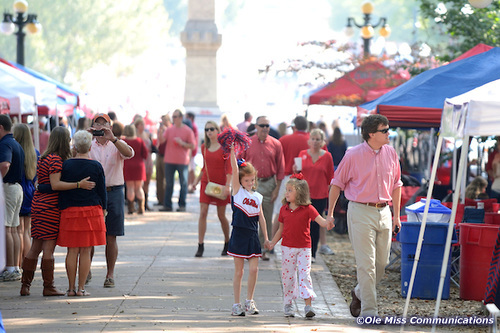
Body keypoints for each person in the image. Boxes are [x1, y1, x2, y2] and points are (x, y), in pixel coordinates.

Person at [326, 114, 402, 318]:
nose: (389, 133)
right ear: (371, 134)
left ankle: (359, 292)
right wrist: (331, 213)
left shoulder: (392, 153)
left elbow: (396, 185)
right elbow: (336, 184)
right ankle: (370, 312)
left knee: (381, 264)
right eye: (384, 130)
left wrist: (396, 216)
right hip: (360, 211)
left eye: (388, 129)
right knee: (366, 264)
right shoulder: (352, 155)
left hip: (385, 212)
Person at [20, 126, 95, 296]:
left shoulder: (44, 157)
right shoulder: (55, 160)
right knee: (48, 249)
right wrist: (78, 184)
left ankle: (25, 285)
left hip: (39, 204)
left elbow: (44, 183)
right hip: (50, 207)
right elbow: (56, 185)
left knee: (35, 246)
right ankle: (48, 286)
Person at [267, 174, 334, 318]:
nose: (287, 192)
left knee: (305, 275)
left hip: (304, 248)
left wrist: (328, 222)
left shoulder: (308, 209)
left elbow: (321, 221)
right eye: (286, 190)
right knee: (288, 277)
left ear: (300, 192)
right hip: (287, 248)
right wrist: (273, 242)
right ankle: (288, 304)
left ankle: (308, 306)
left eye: (290, 190)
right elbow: (280, 229)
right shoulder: (283, 210)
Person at [56, 130, 107, 296]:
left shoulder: (66, 165)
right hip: (91, 211)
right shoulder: (96, 166)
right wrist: (104, 209)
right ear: (90, 146)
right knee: (86, 250)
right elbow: (102, 192)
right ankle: (81, 288)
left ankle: (70, 288)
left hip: (70, 211)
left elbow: (61, 190)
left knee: (72, 251)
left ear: (75, 146)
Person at [88, 113, 134, 288]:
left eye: (103, 124)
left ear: (110, 126)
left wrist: (113, 138)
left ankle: (110, 274)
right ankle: (87, 269)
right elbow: (71, 154)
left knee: (111, 235)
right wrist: (85, 136)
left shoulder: (116, 144)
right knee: (90, 235)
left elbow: (129, 154)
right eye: (97, 124)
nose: (100, 128)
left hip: (113, 190)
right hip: (93, 191)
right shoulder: (88, 144)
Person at [227, 144, 269, 316]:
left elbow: (262, 218)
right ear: (240, 182)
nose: (250, 183)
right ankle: (236, 304)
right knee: (240, 271)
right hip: (239, 234)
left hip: (252, 236)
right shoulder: (237, 192)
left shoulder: (257, 197)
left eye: (252, 180)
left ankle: (249, 301)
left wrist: (266, 237)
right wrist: (231, 151)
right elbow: (235, 170)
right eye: (247, 180)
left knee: (254, 269)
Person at [241, 116, 284, 261]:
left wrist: (277, 189)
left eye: (267, 125)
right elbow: (240, 162)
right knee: (249, 216)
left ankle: (264, 249)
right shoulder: (248, 143)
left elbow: (280, 168)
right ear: (256, 126)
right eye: (262, 125)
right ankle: (249, 249)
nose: (265, 128)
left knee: (265, 216)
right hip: (251, 183)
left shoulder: (276, 144)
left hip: (268, 183)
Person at [271, 116, 310, 256]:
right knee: (306, 212)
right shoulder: (311, 140)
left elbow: (275, 160)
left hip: (286, 177)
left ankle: (271, 243)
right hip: (306, 179)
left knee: (280, 211)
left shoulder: (283, 140)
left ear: (293, 127)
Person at [294, 128, 334, 261]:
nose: (315, 142)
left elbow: (330, 177)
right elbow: (298, 174)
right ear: (309, 140)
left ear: (322, 141)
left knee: (315, 225)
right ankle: (301, 251)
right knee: (301, 223)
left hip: (320, 195)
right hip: (304, 194)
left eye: (318, 139)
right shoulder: (302, 153)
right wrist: (295, 171)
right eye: (313, 139)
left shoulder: (327, 156)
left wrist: (329, 192)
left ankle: (312, 254)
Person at [193, 121, 231, 257]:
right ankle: (200, 245)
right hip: (207, 183)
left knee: (221, 215)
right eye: (206, 129)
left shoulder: (225, 147)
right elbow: (204, 168)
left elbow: (229, 169)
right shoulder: (204, 147)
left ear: (218, 130)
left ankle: (227, 242)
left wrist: (228, 185)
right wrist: (195, 182)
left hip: (220, 185)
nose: (209, 132)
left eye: (212, 129)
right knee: (203, 212)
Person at [0, 115, 24, 282]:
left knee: (8, 228)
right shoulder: (15, 142)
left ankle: (9, 268)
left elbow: (5, 164)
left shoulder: (4, 144)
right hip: (17, 188)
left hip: (8, 188)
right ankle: (14, 267)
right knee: (14, 228)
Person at [13, 124, 39, 268]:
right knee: (26, 231)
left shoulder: (14, 151)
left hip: (17, 190)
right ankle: (28, 264)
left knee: (17, 230)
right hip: (30, 191)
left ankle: (17, 263)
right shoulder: (34, 153)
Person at [159, 109, 195, 212]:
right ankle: (167, 205)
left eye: (175, 117)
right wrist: (161, 132)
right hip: (169, 160)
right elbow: (162, 141)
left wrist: (182, 143)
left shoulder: (188, 130)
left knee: (183, 184)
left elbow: (192, 145)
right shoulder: (169, 129)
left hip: (182, 161)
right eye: (173, 117)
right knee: (169, 183)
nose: (173, 119)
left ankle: (182, 205)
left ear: (181, 118)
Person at [123, 124, 148, 214]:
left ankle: (131, 208)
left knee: (130, 187)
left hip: (128, 165)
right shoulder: (139, 141)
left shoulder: (123, 141)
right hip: (139, 165)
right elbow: (145, 154)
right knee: (139, 187)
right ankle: (141, 208)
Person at [156, 114, 171, 206]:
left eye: (164, 120)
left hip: (167, 155)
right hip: (159, 154)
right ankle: (160, 199)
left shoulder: (170, 130)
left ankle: (165, 200)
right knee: (159, 178)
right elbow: (159, 141)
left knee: (166, 179)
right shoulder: (161, 130)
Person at [186, 112, 199, 194]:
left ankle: (192, 185)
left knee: (191, 169)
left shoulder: (192, 126)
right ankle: (191, 185)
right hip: (192, 150)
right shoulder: (193, 125)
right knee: (191, 169)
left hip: (191, 151)